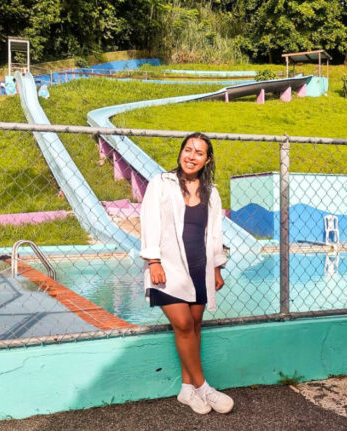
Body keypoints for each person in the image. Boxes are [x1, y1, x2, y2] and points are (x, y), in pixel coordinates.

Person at [139, 132, 234, 415]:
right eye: (188, 150)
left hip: (199, 267)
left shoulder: (211, 192)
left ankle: (186, 389)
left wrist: (216, 266)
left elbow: (215, 233)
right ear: (180, 152)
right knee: (182, 324)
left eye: (199, 152)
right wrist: (153, 260)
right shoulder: (161, 184)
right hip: (167, 267)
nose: (191, 156)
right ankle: (204, 387)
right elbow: (149, 221)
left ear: (207, 159)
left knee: (193, 326)